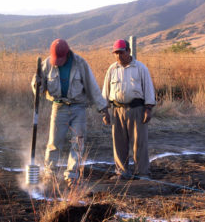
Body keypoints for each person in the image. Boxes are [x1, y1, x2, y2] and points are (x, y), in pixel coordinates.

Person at [32, 38, 109, 187]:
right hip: (58, 106)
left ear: (67, 54)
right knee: (54, 143)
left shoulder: (80, 63)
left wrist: (103, 108)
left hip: (78, 107)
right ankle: (50, 174)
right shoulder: (47, 64)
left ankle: (72, 176)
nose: (57, 62)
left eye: (60, 59)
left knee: (78, 142)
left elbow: (92, 87)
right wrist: (36, 84)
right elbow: (39, 91)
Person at [102, 39, 156, 180]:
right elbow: (106, 91)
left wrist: (148, 109)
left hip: (136, 109)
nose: (118, 56)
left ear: (128, 51)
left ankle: (143, 173)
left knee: (139, 142)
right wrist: (105, 111)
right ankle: (122, 172)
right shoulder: (112, 69)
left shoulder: (140, 68)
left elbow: (148, 89)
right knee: (119, 143)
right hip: (116, 110)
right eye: (116, 53)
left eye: (121, 52)